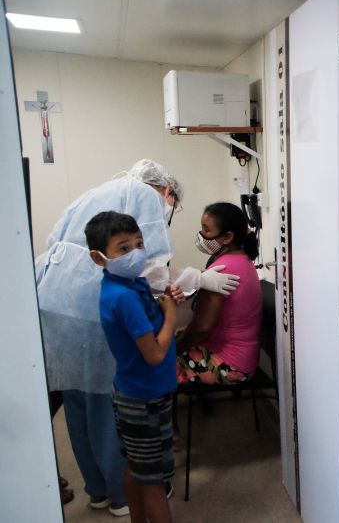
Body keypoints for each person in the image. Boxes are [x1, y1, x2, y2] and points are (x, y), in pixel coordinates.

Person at [34, 159, 239, 515]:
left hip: (55, 301)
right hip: (90, 313)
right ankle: (121, 496)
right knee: (103, 406)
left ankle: (97, 491)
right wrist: (199, 279)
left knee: (77, 402)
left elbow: (56, 241)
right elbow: (150, 267)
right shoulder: (146, 195)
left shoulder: (97, 192)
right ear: (168, 192)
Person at [85, 211, 178, 523]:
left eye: (139, 243)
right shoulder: (122, 296)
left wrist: (165, 300)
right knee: (153, 480)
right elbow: (154, 354)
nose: (136, 252)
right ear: (99, 258)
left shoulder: (129, 283)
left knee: (137, 468)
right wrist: (171, 317)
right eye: (123, 248)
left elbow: (146, 316)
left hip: (135, 392)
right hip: (145, 399)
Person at [176, 202, 263, 385]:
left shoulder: (221, 271)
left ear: (227, 237)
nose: (201, 236)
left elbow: (202, 328)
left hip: (230, 366)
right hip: (245, 360)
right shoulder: (243, 260)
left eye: (206, 231)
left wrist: (174, 348)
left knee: (157, 359)